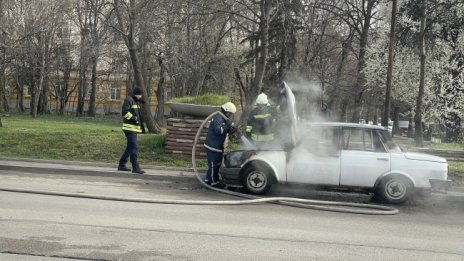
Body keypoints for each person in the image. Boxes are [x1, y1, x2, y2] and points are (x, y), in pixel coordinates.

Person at [204, 102, 237, 188]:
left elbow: (225, 129)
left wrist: (232, 130)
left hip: (216, 146)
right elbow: (219, 131)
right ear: (227, 111)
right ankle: (214, 182)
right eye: (230, 114)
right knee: (213, 165)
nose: (230, 116)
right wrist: (227, 125)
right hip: (212, 146)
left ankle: (208, 179)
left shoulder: (222, 118)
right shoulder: (218, 118)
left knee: (216, 164)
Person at [118, 87, 146, 174]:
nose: (141, 96)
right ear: (137, 94)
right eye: (140, 95)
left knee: (130, 147)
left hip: (133, 128)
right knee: (134, 147)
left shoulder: (135, 101)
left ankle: (122, 165)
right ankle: (135, 167)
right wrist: (135, 119)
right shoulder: (129, 100)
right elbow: (125, 112)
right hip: (129, 128)